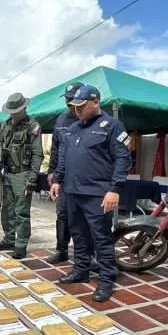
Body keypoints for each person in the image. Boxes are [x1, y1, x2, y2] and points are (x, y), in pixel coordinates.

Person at [50, 84, 131, 302]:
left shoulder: (112, 126)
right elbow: (64, 157)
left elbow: (123, 159)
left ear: (95, 102)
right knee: (78, 235)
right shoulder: (75, 128)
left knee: (101, 238)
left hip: (97, 193)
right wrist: (57, 179)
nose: (77, 111)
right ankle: (80, 270)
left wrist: (115, 189)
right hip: (72, 192)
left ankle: (106, 280)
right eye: (74, 107)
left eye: (81, 106)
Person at [0, 93, 44, 259]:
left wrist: (33, 176)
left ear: (24, 108)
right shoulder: (5, 125)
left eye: (17, 110)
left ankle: (20, 245)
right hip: (7, 173)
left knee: (21, 212)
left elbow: (37, 153)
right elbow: (0, 145)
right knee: (7, 210)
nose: (14, 113)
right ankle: (9, 239)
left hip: (23, 173)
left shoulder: (32, 126)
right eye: (11, 111)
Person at [45, 82, 83, 264]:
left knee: (82, 217)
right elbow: (55, 148)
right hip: (63, 177)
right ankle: (61, 250)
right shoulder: (61, 120)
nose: (69, 104)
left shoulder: (92, 118)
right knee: (62, 215)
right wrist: (51, 171)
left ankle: (85, 255)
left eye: (72, 100)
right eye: (67, 100)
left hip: (85, 178)